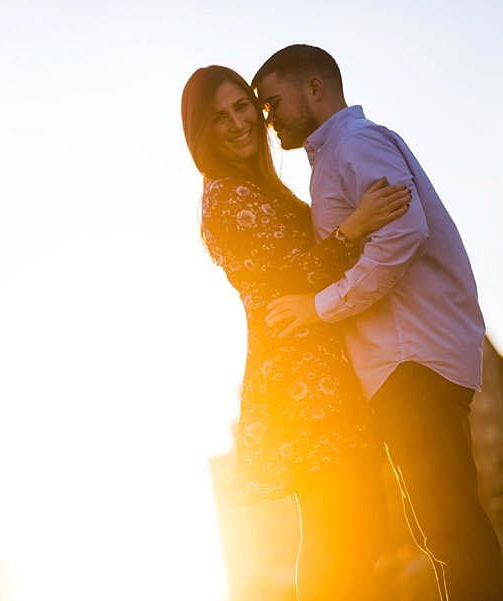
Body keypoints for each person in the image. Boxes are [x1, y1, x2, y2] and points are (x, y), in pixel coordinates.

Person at [253, 44, 503, 601]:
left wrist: (321, 306)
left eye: (273, 103)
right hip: (410, 362)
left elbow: (403, 233)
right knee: (444, 528)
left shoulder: (352, 143)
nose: (270, 121)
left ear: (315, 87)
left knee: (452, 530)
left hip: (411, 360)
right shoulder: (339, 153)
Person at [181, 65, 411, 601]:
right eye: (219, 117)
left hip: (323, 366)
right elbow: (292, 275)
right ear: (201, 134)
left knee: (359, 526)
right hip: (299, 379)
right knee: (340, 529)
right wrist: (354, 226)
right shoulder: (225, 198)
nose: (239, 123)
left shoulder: (258, 189)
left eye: (244, 107)